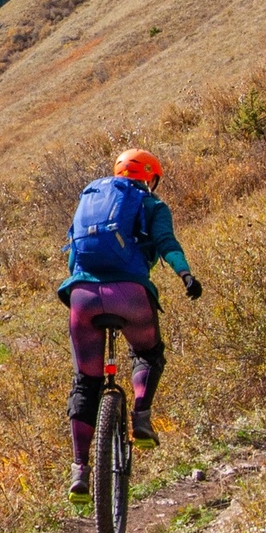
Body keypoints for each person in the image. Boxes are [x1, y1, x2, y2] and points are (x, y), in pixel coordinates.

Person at [58, 149, 201, 503]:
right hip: (130, 294)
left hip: (83, 297)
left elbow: (74, 255)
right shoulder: (152, 205)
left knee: (85, 383)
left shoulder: (90, 200)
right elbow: (166, 244)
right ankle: (140, 415)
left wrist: (84, 286)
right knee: (148, 353)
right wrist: (185, 274)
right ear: (150, 178)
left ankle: (79, 470)